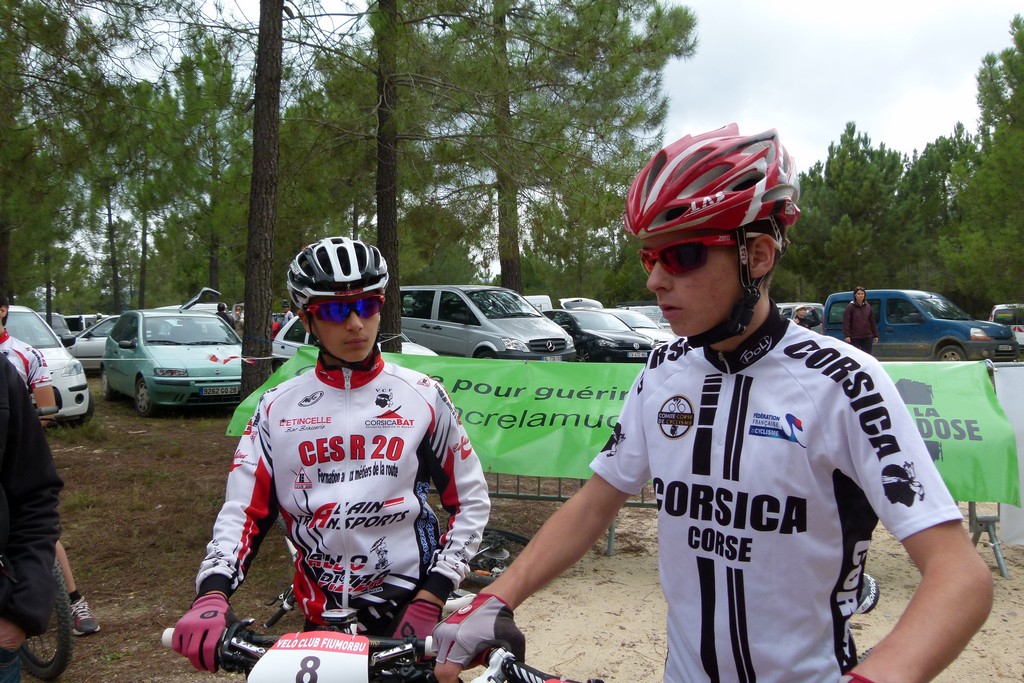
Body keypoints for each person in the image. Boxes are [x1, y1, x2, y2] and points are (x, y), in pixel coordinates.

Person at [432, 125, 993, 683]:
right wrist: (497, 598)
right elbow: (594, 504)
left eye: (682, 256)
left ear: (758, 255)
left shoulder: (844, 380)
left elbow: (959, 576)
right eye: (650, 257)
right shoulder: (663, 370)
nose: (655, 280)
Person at [171, 237, 490, 673]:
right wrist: (212, 592)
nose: (356, 323)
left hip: (410, 612)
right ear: (307, 318)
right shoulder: (276, 407)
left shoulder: (424, 396)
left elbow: (471, 501)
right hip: (322, 621)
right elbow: (243, 511)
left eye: (368, 305)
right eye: (336, 311)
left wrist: (434, 594)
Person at [0, 297, 100, 637]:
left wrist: (25, 430)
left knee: (44, 530)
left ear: (2, 311)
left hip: (20, 450)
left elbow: (46, 406)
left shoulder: (27, 354)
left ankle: (74, 599)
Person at [0, 354, 63, 682]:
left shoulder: (8, 367)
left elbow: (34, 495)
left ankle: (74, 599)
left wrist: (23, 610)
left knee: (57, 545)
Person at [844, 287, 878, 354]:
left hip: (867, 336)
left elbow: (872, 321)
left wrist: (875, 335)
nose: (861, 295)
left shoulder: (868, 306)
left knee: (867, 355)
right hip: (854, 337)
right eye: (859, 294)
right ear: (855, 295)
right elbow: (846, 322)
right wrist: (847, 335)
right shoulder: (850, 307)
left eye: (862, 294)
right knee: (855, 355)